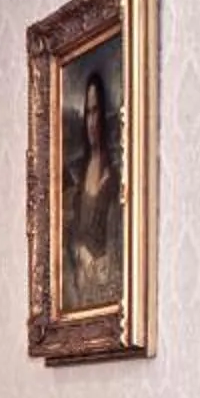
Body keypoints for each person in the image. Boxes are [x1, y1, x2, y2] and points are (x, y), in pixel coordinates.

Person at [62, 67, 122, 310]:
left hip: (103, 290)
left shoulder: (113, 177)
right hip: (79, 285)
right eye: (87, 113)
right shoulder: (78, 175)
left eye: (96, 112)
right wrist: (80, 252)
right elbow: (71, 237)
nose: (91, 122)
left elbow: (114, 245)